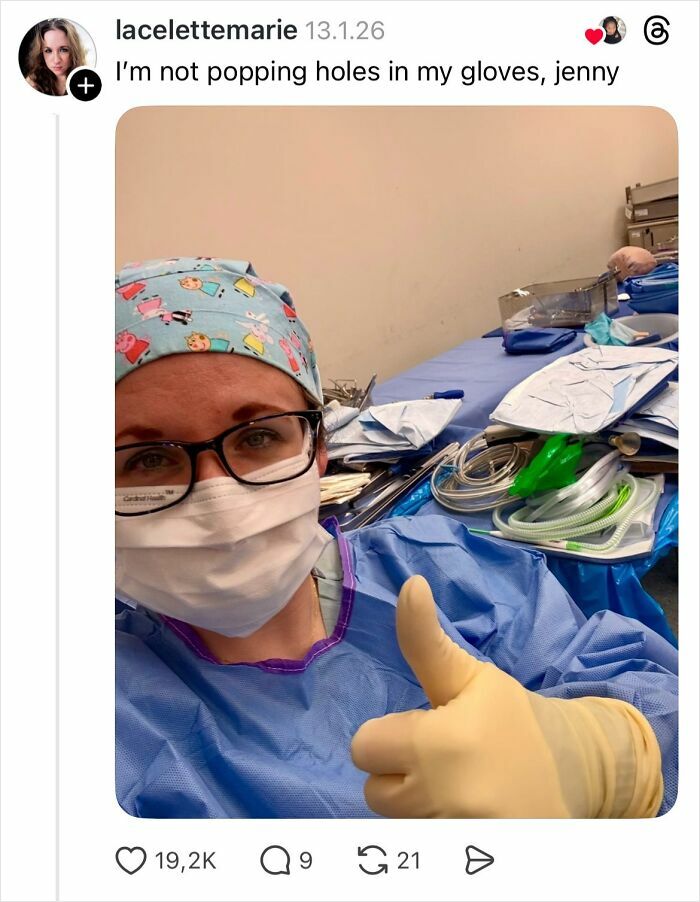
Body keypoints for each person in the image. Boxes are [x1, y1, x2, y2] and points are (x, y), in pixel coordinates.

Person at [116, 257, 678, 819]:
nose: (219, 502)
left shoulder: (448, 571)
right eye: (146, 459)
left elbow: (649, 697)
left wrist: (610, 757)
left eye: (259, 436)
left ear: (320, 451)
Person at [24, 19, 86, 96]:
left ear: (74, 51)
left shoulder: (85, 80)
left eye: (63, 50)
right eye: (48, 50)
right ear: (41, 52)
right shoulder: (33, 81)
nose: (56, 60)